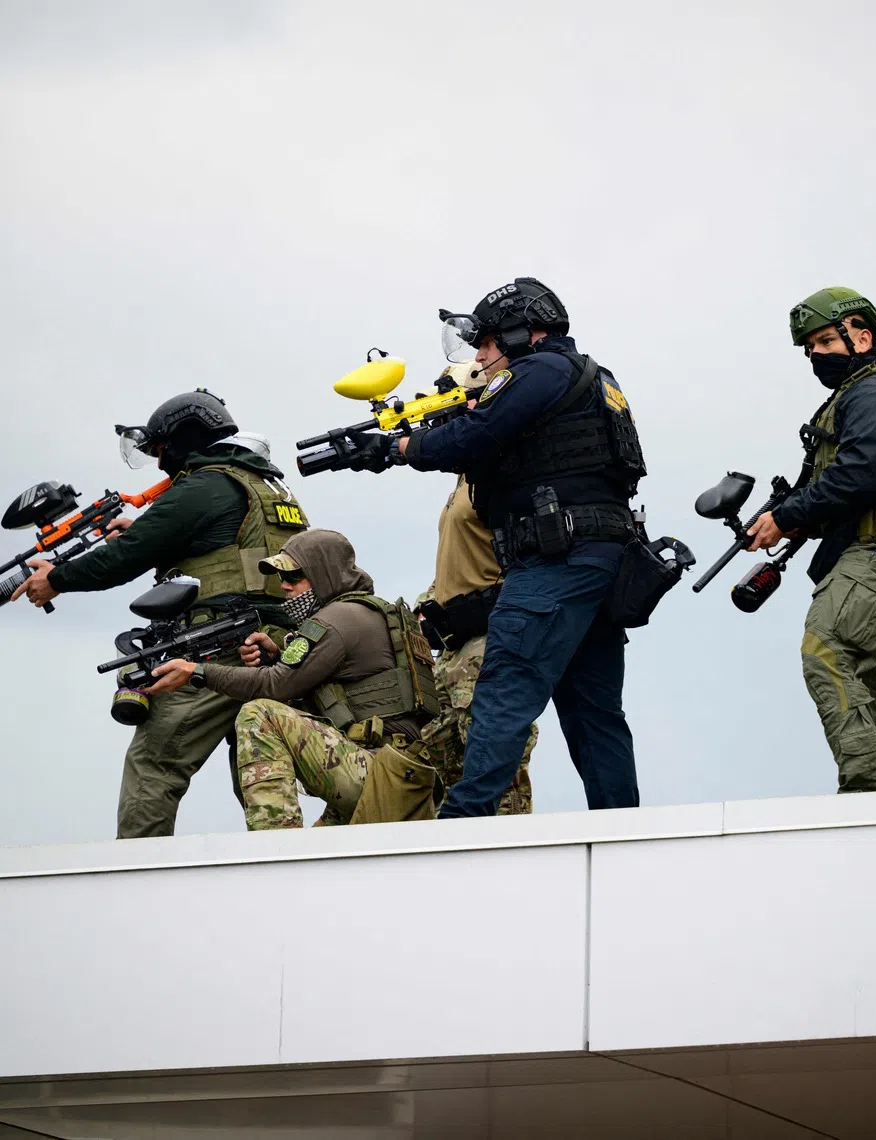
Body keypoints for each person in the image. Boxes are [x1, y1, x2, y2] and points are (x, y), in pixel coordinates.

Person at [350, 278, 646, 817]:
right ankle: (619, 827)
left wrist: (399, 446)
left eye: (487, 344)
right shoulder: (595, 378)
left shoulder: (540, 370)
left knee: (504, 692)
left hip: (556, 561)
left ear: (520, 332)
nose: (482, 357)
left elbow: (476, 435)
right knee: (594, 713)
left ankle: (464, 821)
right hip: (603, 561)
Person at [12, 390, 310, 837]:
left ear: (185, 439)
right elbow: (226, 547)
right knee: (258, 769)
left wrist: (56, 578)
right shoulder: (264, 485)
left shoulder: (205, 484)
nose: (160, 464)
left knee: (154, 764)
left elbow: (127, 556)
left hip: (219, 645)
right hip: (276, 643)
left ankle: (136, 879)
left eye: (162, 450)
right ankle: (282, 865)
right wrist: (148, 530)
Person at [747, 288, 876, 793]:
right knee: (866, 684)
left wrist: (789, 514)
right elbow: (838, 484)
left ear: (863, 335)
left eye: (828, 340)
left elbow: (862, 475)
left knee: (826, 651)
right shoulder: (853, 395)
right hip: (868, 552)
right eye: (810, 347)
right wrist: (785, 517)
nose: (817, 354)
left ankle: (867, 789)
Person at [147, 528, 441, 829]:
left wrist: (196, 671)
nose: (284, 587)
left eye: (294, 577)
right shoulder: (367, 613)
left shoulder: (335, 621)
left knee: (260, 714)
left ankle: (276, 840)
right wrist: (277, 655)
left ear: (324, 574)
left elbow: (274, 686)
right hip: (403, 776)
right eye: (280, 578)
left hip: (377, 772)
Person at [415, 362, 536, 815]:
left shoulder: (504, 476)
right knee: (448, 775)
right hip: (451, 650)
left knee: (498, 779)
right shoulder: (464, 481)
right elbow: (457, 559)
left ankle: (516, 870)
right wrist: (427, 605)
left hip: (489, 645)